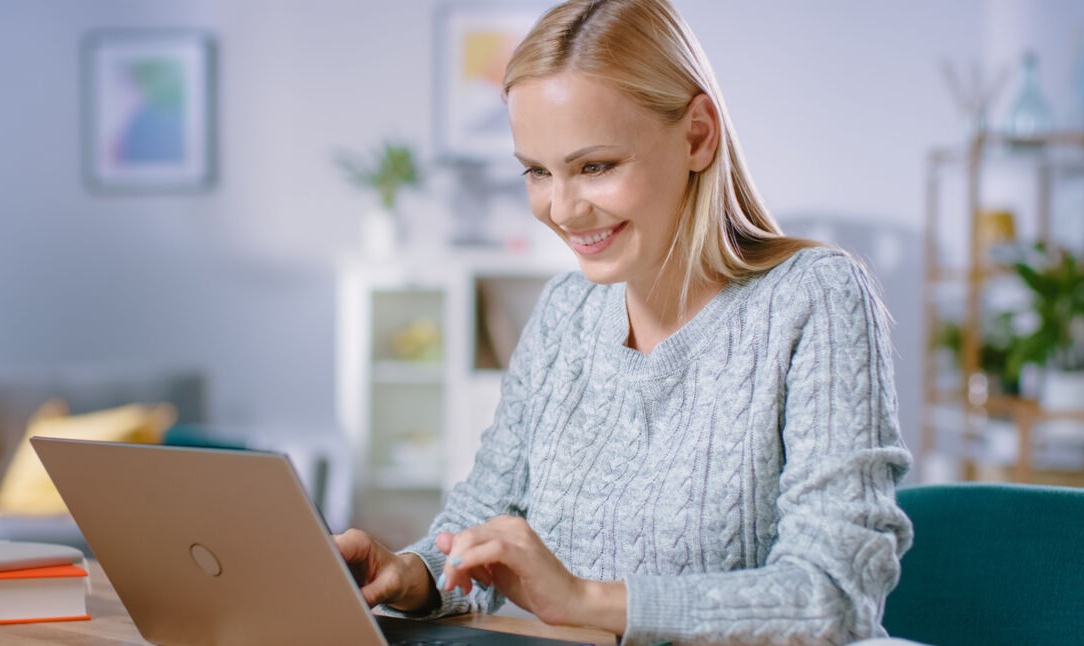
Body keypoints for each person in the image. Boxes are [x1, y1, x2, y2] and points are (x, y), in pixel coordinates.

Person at [335, 0, 913, 643]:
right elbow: (484, 519)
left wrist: (584, 598)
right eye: (537, 171)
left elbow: (832, 595)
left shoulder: (816, 298)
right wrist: (412, 573)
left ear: (697, 136)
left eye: (595, 166)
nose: (561, 209)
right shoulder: (564, 312)